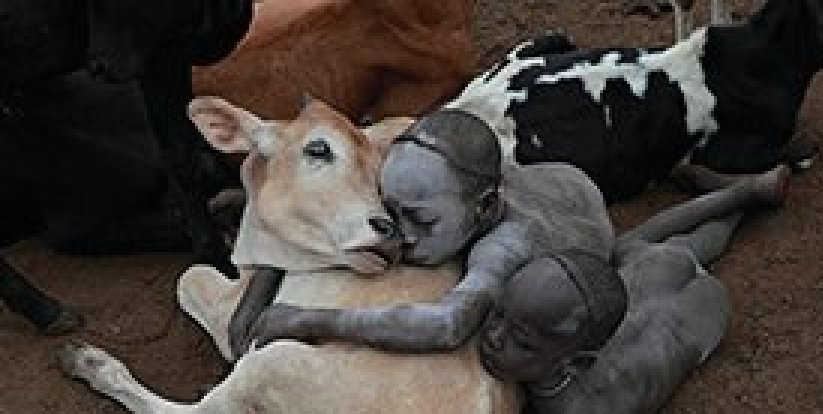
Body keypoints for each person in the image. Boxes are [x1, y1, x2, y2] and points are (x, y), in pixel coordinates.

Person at [476, 165, 789, 414]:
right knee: (658, 248)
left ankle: (741, 201)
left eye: (520, 342)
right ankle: (742, 198)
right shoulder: (562, 357)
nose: (493, 337)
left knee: (667, 248)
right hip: (673, 284)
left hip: (706, 313)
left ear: (576, 363)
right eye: (498, 314)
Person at [237, 109, 623, 353]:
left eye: (421, 222)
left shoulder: (506, 245)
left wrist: (311, 320)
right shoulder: (447, 184)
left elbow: (449, 325)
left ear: (486, 207)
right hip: (565, 182)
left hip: (579, 218)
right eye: (393, 210)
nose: (400, 235)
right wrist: (264, 281)